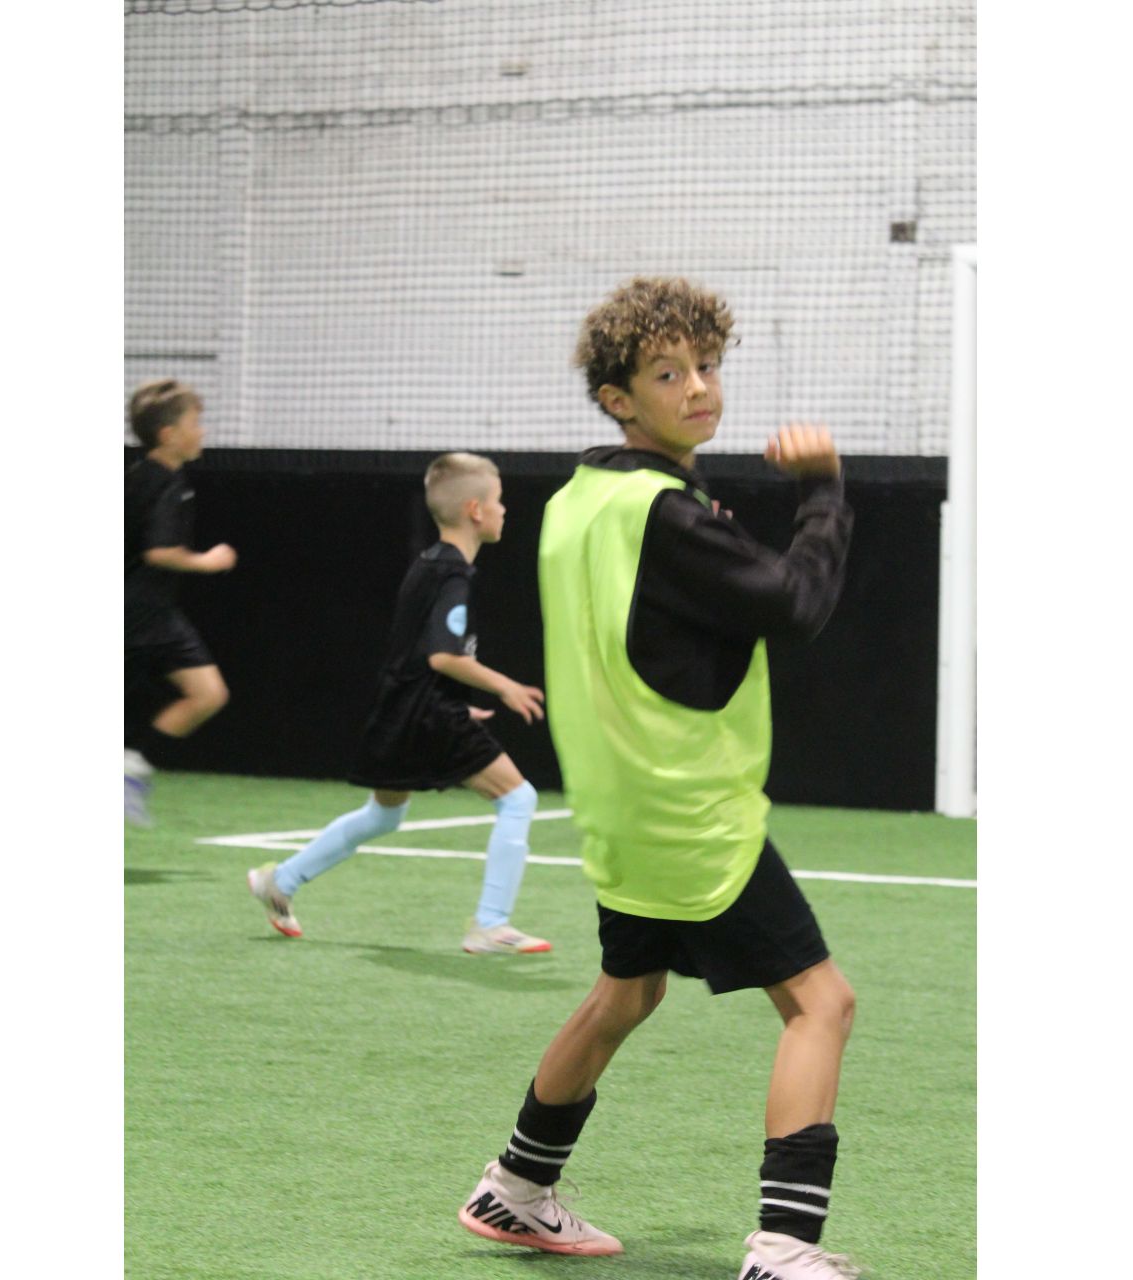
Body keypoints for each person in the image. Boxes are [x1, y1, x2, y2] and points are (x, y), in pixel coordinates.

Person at [454, 278, 863, 1279]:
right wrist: (823, 493)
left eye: (707, 366)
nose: (699, 387)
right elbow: (794, 603)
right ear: (617, 398)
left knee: (626, 992)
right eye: (668, 373)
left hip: (618, 808)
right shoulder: (663, 513)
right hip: (691, 814)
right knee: (822, 1002)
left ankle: (513, 1189)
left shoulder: (575, 502)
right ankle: (784, 1249)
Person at [245, 452, 554, 955]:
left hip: (401, 710)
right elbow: (443, 656)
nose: (505, 510)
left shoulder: (429, 564)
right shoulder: (454, 574)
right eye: (499, 501)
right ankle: (491, 924)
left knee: (383, 816)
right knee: (518, 799)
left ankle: (280, 880)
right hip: (427, 714)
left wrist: (455, 704)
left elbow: (413, 654)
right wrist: (505, 687)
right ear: (476, 510)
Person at [124, 379, 237, 826]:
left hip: (151, 615)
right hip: (140, 616)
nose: (202, 431)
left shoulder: (140, 477)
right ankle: (129, 768)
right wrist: (208, 561)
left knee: (208, 693)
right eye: (195, 422)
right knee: (207, 694)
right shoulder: (164, 486)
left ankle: (131, 768)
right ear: (169, 435)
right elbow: (158, 552)